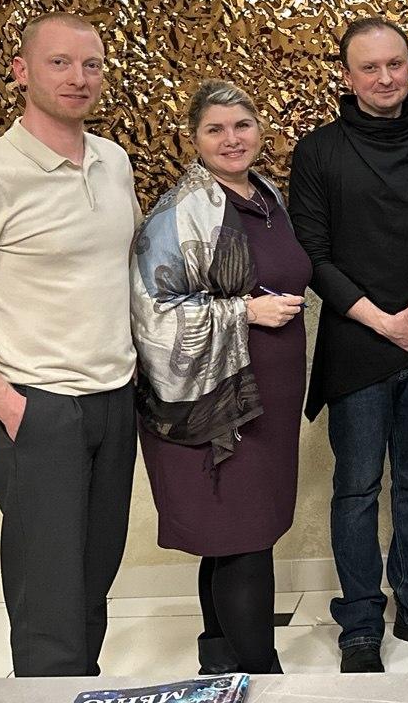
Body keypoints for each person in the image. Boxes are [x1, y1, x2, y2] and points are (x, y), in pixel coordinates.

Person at [289, 17, 408, 672]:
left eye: (395, 64)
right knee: (358, 488)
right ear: (347, 76)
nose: (385, 77)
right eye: (370, 67)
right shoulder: (319, 152)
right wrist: (381, 322)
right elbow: (313, 254)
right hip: (357, 347)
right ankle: (361, 623)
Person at [0, 12, 139, 676]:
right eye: (59, 62)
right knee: (48, 601)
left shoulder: (113, 161)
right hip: (40, 407)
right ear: (21, 71)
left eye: (91, 64)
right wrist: (12, 407)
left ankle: (80, 688)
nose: (78, 78)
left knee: (92, 584)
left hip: (115, 400)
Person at [131, 79, 310, 675]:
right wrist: (244, 313)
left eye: (242, 125)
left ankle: (221, 666)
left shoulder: (266, 195)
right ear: (194, 138)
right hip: (214, 405)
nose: (231, 139)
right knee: (241, 538)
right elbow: (151, 312)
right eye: (215, 129)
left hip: (270, 400)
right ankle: (262, 675)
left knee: (233, 537)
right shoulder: (182, 211)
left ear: (260, 129)